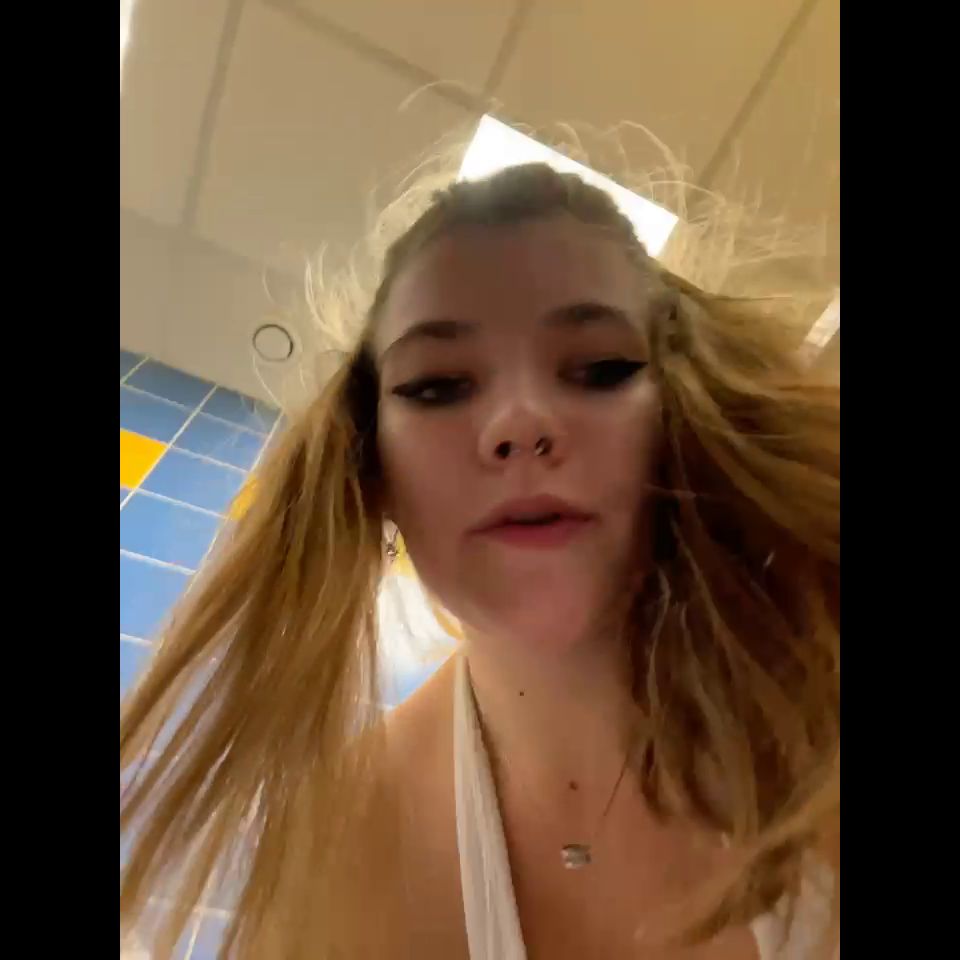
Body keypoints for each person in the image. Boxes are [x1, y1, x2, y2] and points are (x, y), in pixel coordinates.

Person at [121, 159, 839, 959]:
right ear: (374, 472)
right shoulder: (340, 844)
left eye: (600, 368)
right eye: (437, 386)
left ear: (682, 421)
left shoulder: (820, 712)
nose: (520, 423)